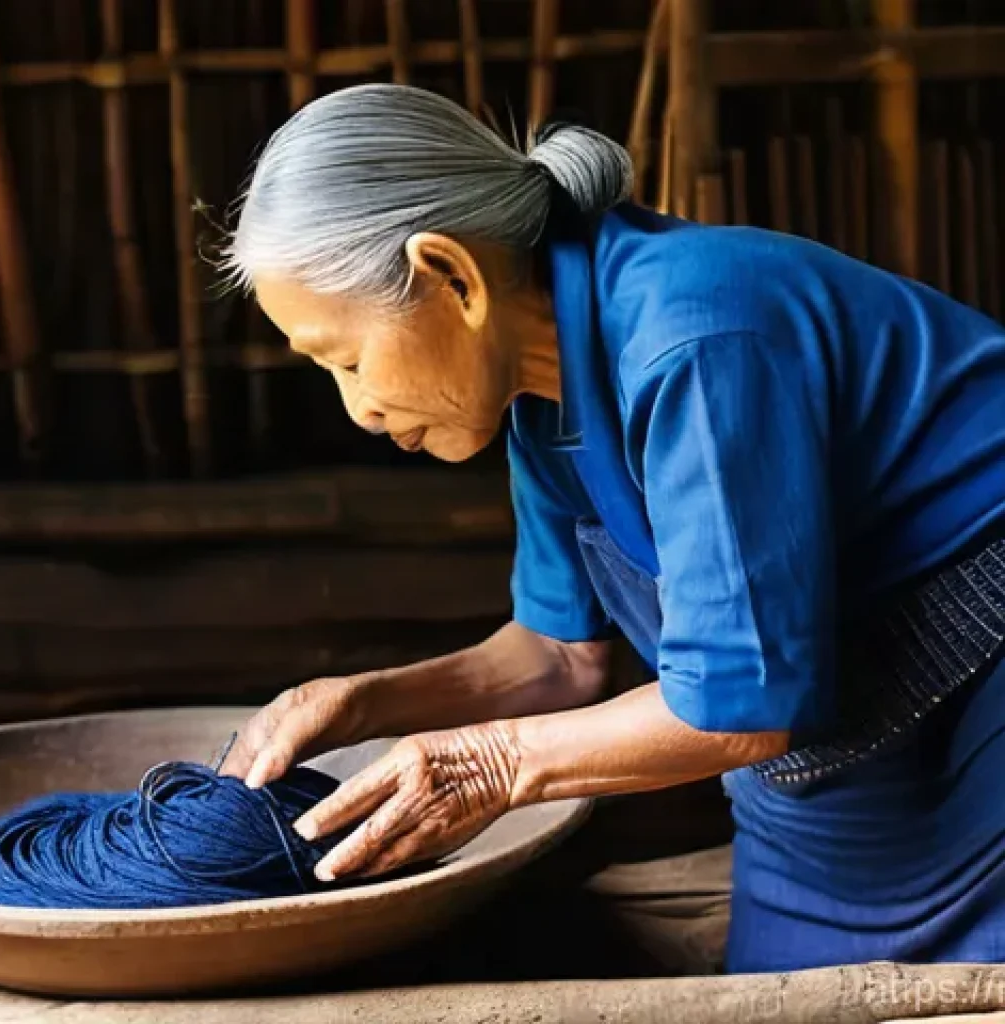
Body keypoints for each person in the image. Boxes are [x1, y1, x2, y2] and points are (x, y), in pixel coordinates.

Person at [220, 83, 1005, 972]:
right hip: (836, 780)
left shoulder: (694, 337)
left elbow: (738, 709)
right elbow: (557, 659)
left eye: (349, 358)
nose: (356, 408)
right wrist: (361, 703)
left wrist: (493, 765)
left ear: (452, 278)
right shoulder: (534, 401)